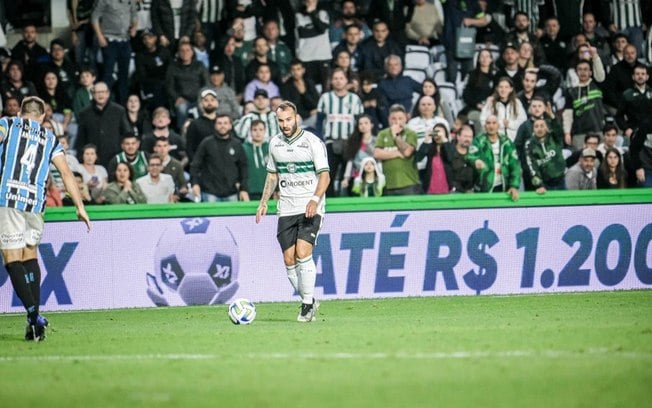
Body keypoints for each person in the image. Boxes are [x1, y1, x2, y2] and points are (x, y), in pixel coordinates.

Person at [0, 96, 91, 341]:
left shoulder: (8, 124)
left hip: (8, 197)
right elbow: (66, 173)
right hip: (36, 204)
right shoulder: (50, 138)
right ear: (42, 117)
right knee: (30, 255)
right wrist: (80, 206)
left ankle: (33, 316)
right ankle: (33, 322)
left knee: (12, 258)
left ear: (20, 113)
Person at [255, 100, 330, 322]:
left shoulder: (312, 142)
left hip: (310, 206)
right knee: (289, 259)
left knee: (303, 253)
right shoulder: (274, 144)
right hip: (286, 208)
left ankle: (306, 306)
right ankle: (311, 300)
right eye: (281, 120)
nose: (285, 124)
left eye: (289, 120)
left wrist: (315, 200)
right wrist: (263, 202)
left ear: (296, 118)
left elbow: (324, 175)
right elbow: (272, 175)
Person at [191, 114, 249, 202]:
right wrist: (195, 183)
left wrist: (243, 189)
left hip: (232, 192)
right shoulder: (206, 143)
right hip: (210, 193)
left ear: (230, 125)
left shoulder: (237, 144)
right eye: (219, 123)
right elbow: (195, 164)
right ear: (215, 125)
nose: (222, 126)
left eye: (225, 123)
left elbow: (243, 167)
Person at [74, 82, 131, 168]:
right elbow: (81, 139)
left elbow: (126, 133)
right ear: (93, 94)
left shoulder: (119, 111)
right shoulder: (85, 113)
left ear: (108, 94)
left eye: (103, 92)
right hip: (93, 159)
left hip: (115, 157)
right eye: (97, 92)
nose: (101, 95)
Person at [92, 0, 138, 105]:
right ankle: (104, 105)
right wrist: (99, 36)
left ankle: (122, 106)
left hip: (125, 41)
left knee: (124, 76)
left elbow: (134, 14)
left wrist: (134, 27)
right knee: (108, 75)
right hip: (109, 40)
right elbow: (94, 17)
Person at [468, 115, 521, 201]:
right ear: (485, 126)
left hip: (503, 187)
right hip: (483, 188)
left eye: (494, 123)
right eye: (488, 123)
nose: (491, 126)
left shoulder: (507, 142)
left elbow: (515, 166)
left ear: (498, 125)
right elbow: (470, 156)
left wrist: (514, 186)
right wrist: (475, 161)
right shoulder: (478, 140)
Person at [374, 104, 421, 196]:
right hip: (388, 184)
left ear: (406, 119)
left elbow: (407, 152)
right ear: (389, 119)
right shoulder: (382, 134)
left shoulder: (411, 134)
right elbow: (377, 153)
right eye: (393, 119)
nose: (397, 122)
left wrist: (396, 136)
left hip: (409, 183)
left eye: (400, 118)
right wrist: (398, 153)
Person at [524, 118, 566, 194]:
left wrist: (553, 118)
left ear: (547, 128)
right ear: (533, 129)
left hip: (561, 180)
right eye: (536, 126)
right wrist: (539, 185)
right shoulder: (529, 144)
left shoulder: (554, 137)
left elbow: (559, 130)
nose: (539, 129)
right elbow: (532, 167)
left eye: (542, 126)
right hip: (545, 184)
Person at [416, 123, 452, 194]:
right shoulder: (429, 147)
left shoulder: (449, 146)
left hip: (446, 186)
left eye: (440, 132)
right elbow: (418, 158)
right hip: (431, 186)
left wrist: (444, 140)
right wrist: (426, 141)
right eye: (435, 132)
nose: (437, 135)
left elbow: (450, 157)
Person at [242, 120, 269, 200]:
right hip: (250, 191)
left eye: (261, 130)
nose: (258, 133)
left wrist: (276, 189)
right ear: (250, 132)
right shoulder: (243, 148)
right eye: (254, 130)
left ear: (265, 131)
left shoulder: (270, 148)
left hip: (268, 191)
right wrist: (243, 189)